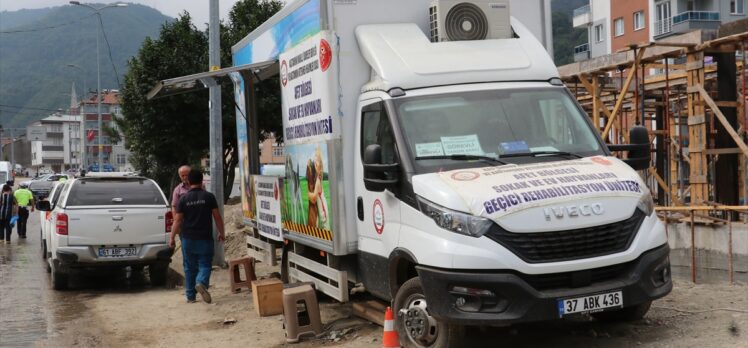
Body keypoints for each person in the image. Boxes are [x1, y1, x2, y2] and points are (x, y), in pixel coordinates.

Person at [169, 169, 225, 303]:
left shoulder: (183, 199)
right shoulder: (209, 197)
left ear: (189, 181)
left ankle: (190, 296)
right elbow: (217, 217)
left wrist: (172, 238)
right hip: (205, 238)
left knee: (189, 267)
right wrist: (222, 232)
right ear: (202, 181)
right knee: (205, 264)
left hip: (188, 239)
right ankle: (201, 282)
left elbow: (177, 220)